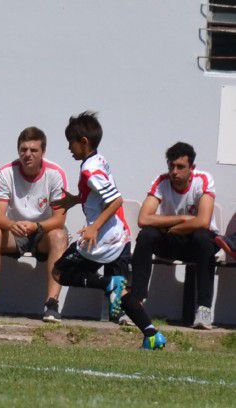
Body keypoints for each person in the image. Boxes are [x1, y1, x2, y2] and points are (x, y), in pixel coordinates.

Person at [52, 112, 166, 350]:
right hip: (119, 235)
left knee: (60, 273)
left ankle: (106, 284)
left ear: (83, 142)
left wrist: (93, 226)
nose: (68, 147)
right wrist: (76, 200)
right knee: (123, 294)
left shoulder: (90, 170)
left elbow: (116, 201)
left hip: (102, 238)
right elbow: (100, 195)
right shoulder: (98, 160)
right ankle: (152, 334)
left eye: (70, 141)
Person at [0, 127, 69, 322]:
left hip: (44, 232)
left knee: (60, 235)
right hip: (14, 231)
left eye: (33, 150)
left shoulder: (55, 174)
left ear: (43, 152)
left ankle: (51, 304)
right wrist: (11, 224)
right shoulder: (6, 172)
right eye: (23, 150)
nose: (27, 155)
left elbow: (59, 219)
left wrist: (37, 226)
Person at [131, 142, 218, 329]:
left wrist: (176, 227)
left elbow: (203, 221)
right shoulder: (161, 181)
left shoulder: (203, 179)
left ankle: (203, 308)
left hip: (197, 243)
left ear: (191, 168)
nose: (174, 172)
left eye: (180, 167)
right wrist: (183, 219)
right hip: (172, 240)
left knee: (203, 238)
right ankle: (136, 303)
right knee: (146, 235)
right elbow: (143, 219)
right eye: (171, 166)